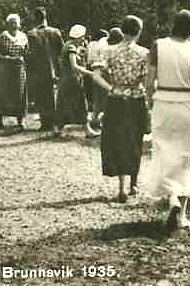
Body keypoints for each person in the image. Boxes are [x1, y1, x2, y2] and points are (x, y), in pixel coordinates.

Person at [144, 9, 190, 233]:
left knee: (165, 152)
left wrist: (150, 101)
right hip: (187, 105)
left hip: (163, 102)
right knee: (187, 157)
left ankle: (171, 195)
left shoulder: (158, 46)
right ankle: (181, 213)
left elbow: (149, 80)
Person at [90, 15, 149, 203]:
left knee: (118, 141)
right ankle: (134, 183)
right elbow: (148, 81)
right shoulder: (144, 53)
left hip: (115, 99)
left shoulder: (109, 51)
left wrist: (112, 88)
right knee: (134, 140)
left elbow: (95, 76)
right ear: (139, 31)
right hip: (136, 99)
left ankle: (121, 187)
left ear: (122, 31)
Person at [25, 7, 63, 132]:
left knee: (41, 95)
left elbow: (29, 55)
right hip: (55, 68)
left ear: (35, 18)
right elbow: (61, 51)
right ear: (45, 17)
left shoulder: (31, 34)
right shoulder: (55, 32)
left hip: (38, 69)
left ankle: (45, 122)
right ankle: (54, 121)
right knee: (54, 94)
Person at [0, 13, 29, 129]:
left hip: (19, 69)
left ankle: (20, 120)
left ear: (19, 24)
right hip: (5, 70)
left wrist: (23, 58)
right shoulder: (3, 36)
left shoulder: (23, 36)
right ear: (7, 24)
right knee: (2, 94)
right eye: (11, 23)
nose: (13, 25)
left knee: (19, 93)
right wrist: (7, 58)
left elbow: (27, 52)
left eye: (15, 23)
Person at [56, 24, 93, 136]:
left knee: (63, 104)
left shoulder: (70, 45)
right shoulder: (71, 48)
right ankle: (87, 130)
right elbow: (74, 66)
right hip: (71, 79)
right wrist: (90, 74)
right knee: (81, 103)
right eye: (82, 36)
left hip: (67, 79)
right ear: (78, 36)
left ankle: (58, 129)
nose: (84, 39)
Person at [85, 28, 110, 132]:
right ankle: (102, 119)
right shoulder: (104, 44)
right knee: (104, 96)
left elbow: (89, 59)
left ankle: (95, 118)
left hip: (92, 70)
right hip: (103, 70)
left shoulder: (91, 45)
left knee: (97, 96)